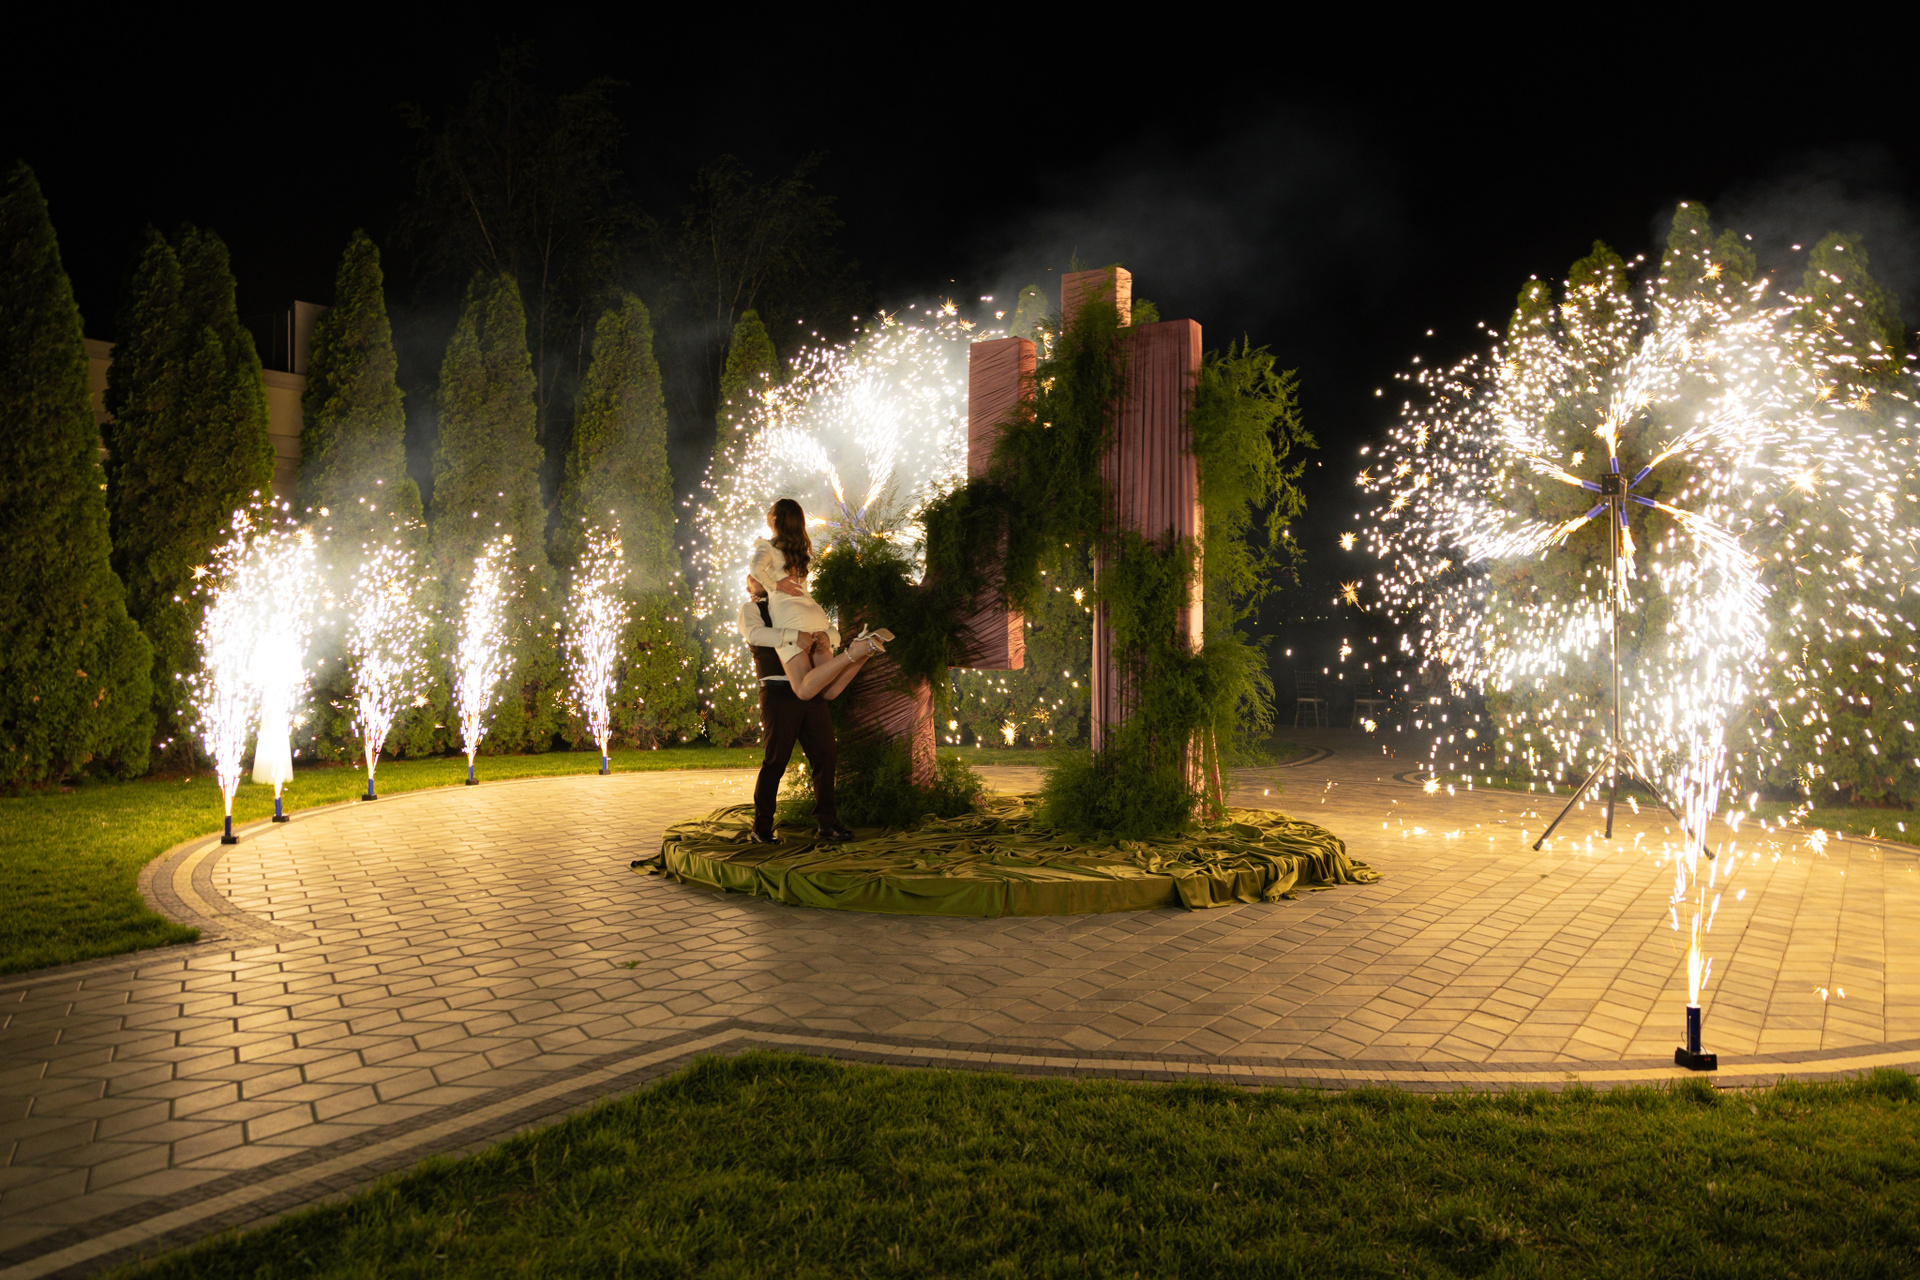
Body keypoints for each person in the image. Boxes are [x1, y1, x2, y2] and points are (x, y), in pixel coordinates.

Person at [737, 519, 887, 844]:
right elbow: (756, 635)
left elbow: (828, 630)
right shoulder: (752, 611)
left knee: (825, 756)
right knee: (775, 761)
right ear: (751, 585)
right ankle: (761, 828)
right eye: (757, 577)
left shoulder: (795, 605)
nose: (764, 578)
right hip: (779, 692)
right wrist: (794, 635)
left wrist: (826, 637)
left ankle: (827, 823)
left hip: (811, 687)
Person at [749, 498, 891, 701]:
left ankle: (854, 652)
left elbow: (756, 569)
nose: (767, 512)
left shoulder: (767, 547)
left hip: (790, 618)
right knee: (829, 691)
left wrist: (776, 586)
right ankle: (865, 649)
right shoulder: (800, 551)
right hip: (814, 614)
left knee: (803, 690)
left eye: (770, 510)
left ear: (775, 518)